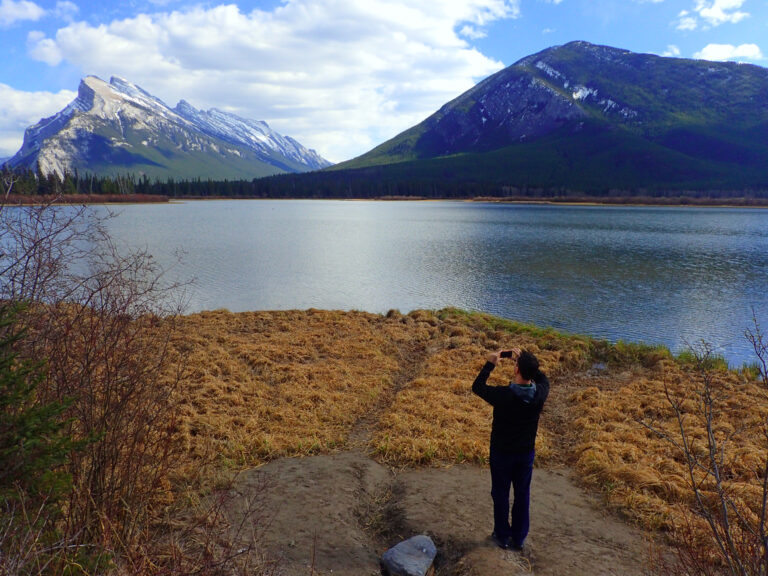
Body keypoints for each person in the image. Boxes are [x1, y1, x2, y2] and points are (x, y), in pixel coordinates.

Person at [471, 347, 550, 551]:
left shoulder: (503, 395)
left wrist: (490, 364)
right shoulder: (539, 394)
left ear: (516, 370)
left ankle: (502, 536)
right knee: (522, 494)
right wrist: (527, 363)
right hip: (525, 455)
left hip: (501, 453)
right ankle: (519, 538)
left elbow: (477, 387)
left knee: (500, 494)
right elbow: (544, 380)